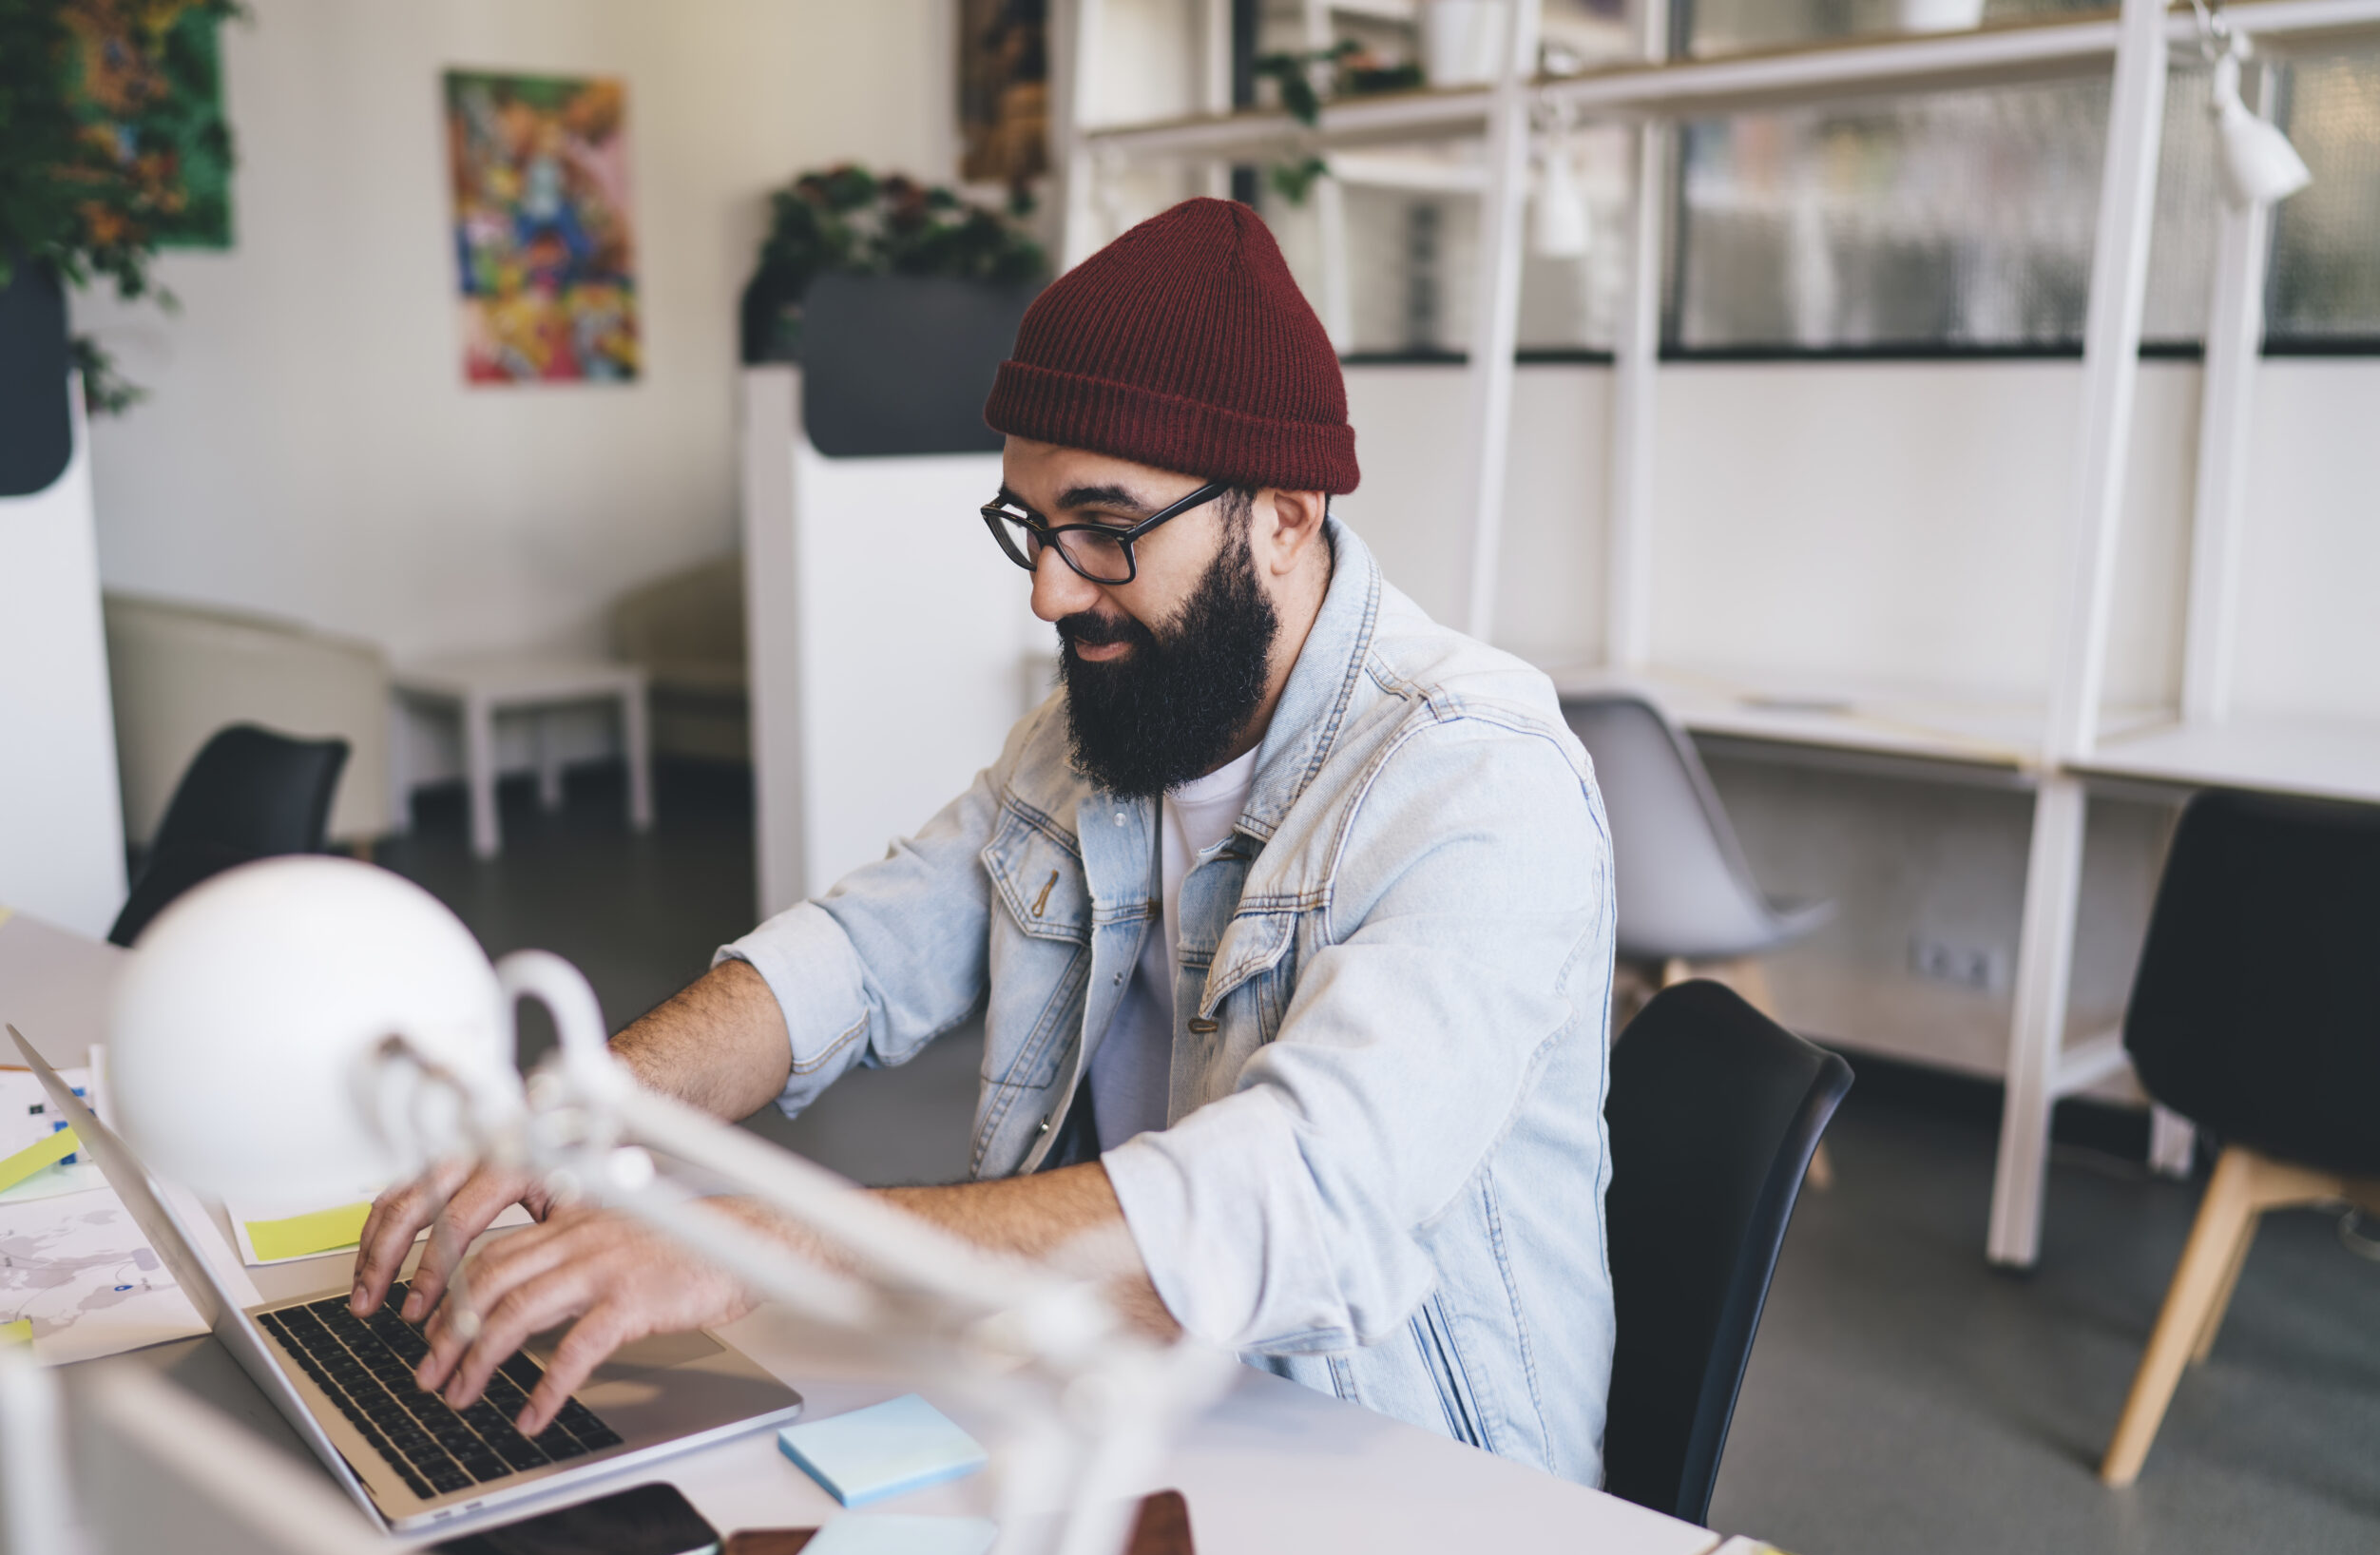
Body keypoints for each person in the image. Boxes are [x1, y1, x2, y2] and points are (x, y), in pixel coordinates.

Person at [352, 198, 1621, 1484]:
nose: (1050, 590)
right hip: (1109, 1406)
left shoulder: (1478, 783)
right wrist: (576, 1107)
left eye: (1104, 528)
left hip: (1404, 1484)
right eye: (1029, 523)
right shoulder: (1107, 729)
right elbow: (859, 951)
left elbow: (1291, 1202)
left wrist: (769, 1240)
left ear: (1283, 514)